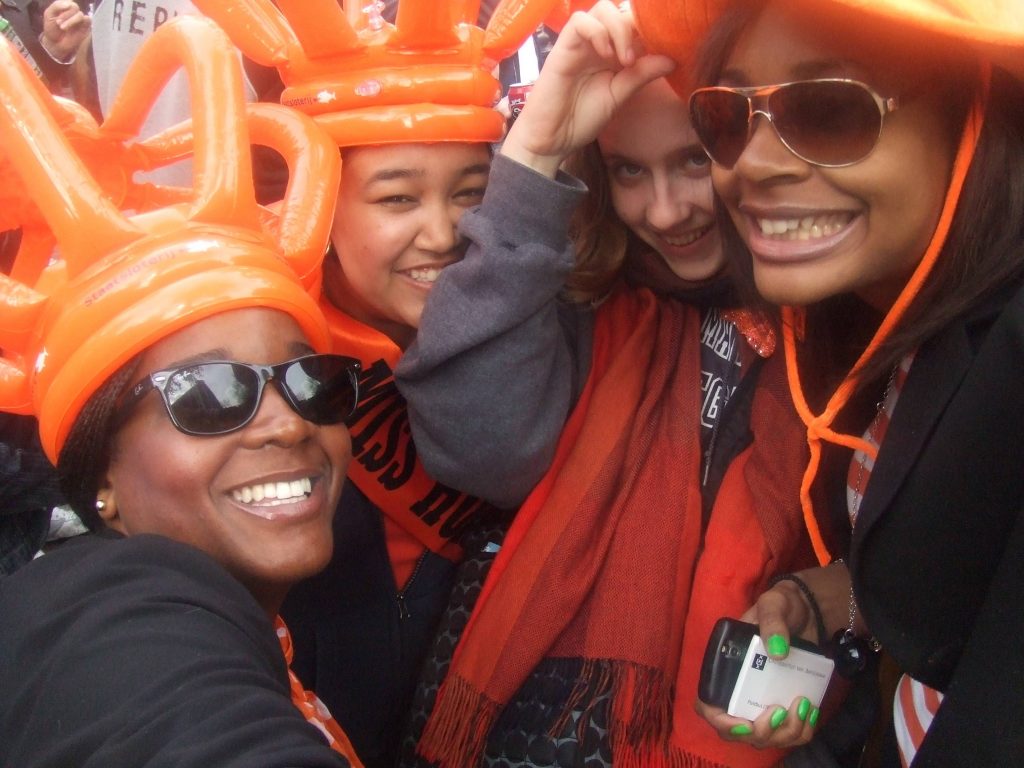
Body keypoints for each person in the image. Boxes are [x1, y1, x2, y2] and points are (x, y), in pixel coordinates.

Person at [392, 4, 826, 766]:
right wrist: (534, 152)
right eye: (629, 170)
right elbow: (481, 451)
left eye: (695, 159)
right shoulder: (583, 306)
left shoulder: (842, 322)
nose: (666, 212)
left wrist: (827, 609)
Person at [633, 0, 1024, 763]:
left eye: (831, 109)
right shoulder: (888, 327)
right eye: (727, 117)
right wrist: (839, 596)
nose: (752, 163)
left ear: (977, 120)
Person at [190, 1, 554, 765]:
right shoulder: (243, 382)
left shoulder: (538, 335)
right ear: (315, 205)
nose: (447, 232)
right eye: (396, 197)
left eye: (471, 192)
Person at [0, 16, 363, 767]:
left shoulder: (236, 617)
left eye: (310, 381)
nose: (288, 424)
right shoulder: (114, 636)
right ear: (101, 475)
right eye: (208, 392)